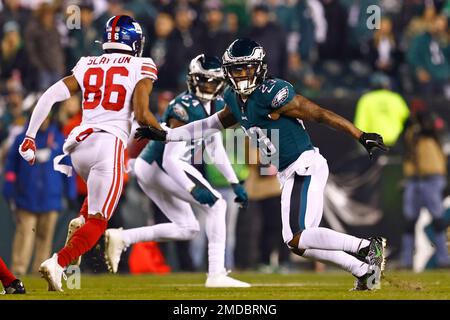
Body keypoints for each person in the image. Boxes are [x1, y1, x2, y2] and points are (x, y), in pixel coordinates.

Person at [137, 39, 388, 290]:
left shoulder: (273, 93)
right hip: (288, 172)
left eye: (246, 68)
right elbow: (209, 124)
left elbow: (319, 113)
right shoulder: (234, 99)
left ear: (259, 67)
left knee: (296, 237)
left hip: (304, 166)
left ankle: (367, 247)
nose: (241, 74)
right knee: (300, 245)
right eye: (236, 69)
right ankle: (365, 271)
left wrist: (360, 134)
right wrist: (168, 134)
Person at [18, 15, 162, 292]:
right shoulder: (141, 64)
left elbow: (48, 95)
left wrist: (29, 136)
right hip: (109, 145)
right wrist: (163, 133)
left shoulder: (87, 62)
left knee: (91, 212)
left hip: (79, 145)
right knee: (100, 221)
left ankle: (80, 220)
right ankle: (58, 262)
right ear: (134, 41)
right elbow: (143, 115)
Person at [104, 54, 250, 288]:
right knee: (217, 205)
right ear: (193, 80)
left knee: (188, 228)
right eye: (204, 80)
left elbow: (213, 145)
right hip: (159, 165)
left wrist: (234, 182)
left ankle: (123, 238)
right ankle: (216, 274)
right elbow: (171, 159)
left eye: (213, 81)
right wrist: (193, 188)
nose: (209, 86)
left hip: (155, 167)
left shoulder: (215, 105)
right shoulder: (183, 106)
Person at [3, 116, 76, 275]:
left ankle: (40, 272)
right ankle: (18, 271)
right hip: (26, 197)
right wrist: (9, 189)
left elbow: (67, 168)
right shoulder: (21, 138)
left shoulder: (58, 138)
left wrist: (70, 192)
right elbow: (11, 167)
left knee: (45, 238)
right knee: (25, 236)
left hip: (51, 197)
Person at [401, 105, 450, 269]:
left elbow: (435, 131)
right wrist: (408, 125)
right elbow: (402, 142)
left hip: (433, 178)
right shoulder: (410, 132)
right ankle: (406, 262)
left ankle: (444, 260)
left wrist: (423, 120)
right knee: (409, 222)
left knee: (437, 221)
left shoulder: (432, 131)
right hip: (413, 178)